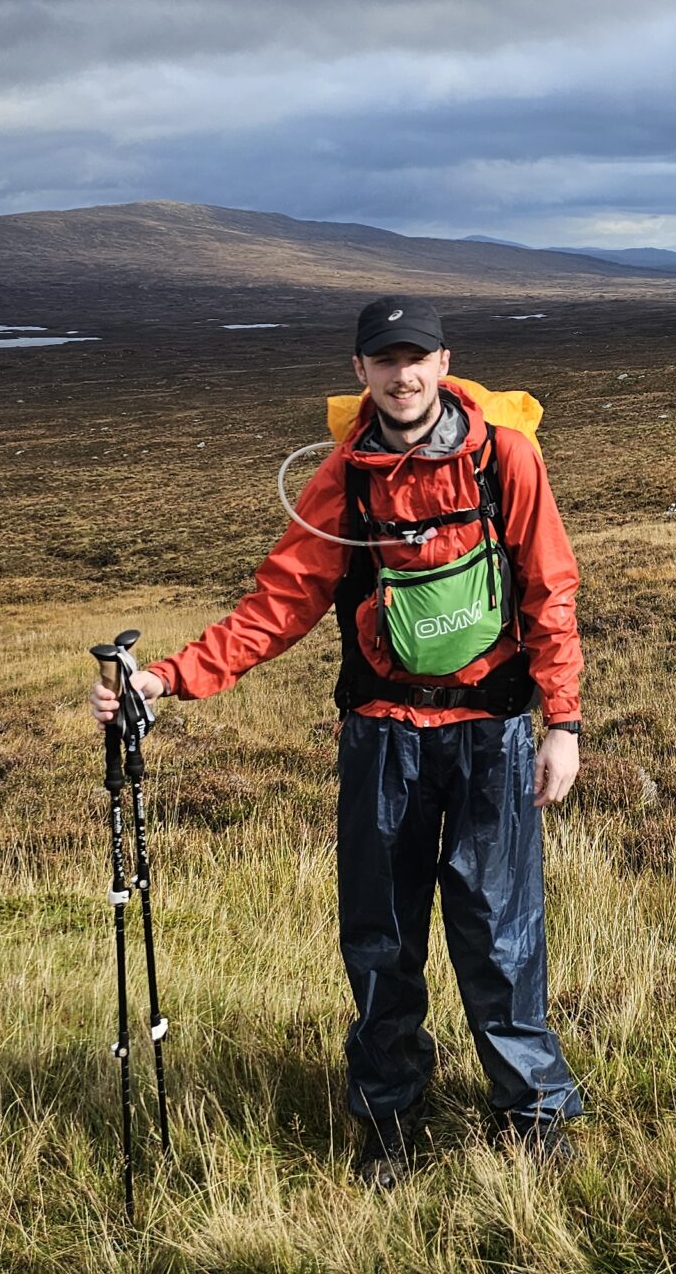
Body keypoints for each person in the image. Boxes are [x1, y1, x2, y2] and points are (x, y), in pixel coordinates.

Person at [91, 295, 584, 1183]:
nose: (403, 376)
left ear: (444, 361)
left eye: (417, 357)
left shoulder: (505, 456)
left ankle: (534, 1116)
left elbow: (549, 587)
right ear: (359, 371)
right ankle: (390, 1124)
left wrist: (564, 723)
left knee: (500, 936)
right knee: (382, 939)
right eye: (385, 360)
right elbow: (278, 605)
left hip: (493, 732)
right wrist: (164, 677)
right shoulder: (344, 477)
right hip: (383, 735)